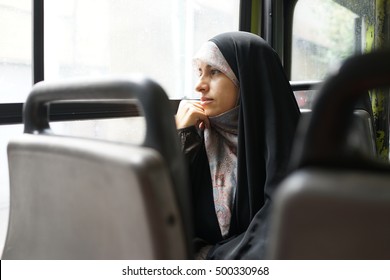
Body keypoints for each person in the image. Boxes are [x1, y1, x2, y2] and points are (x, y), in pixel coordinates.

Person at [176, 31, 300, 259]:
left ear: (246, 79)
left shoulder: (289, 147)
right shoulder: (198, 136)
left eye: (214, 71)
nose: (199, 86)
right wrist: (181, 137)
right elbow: (164, 215)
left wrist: (208, 256)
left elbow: (283, 229)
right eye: (199, 72)